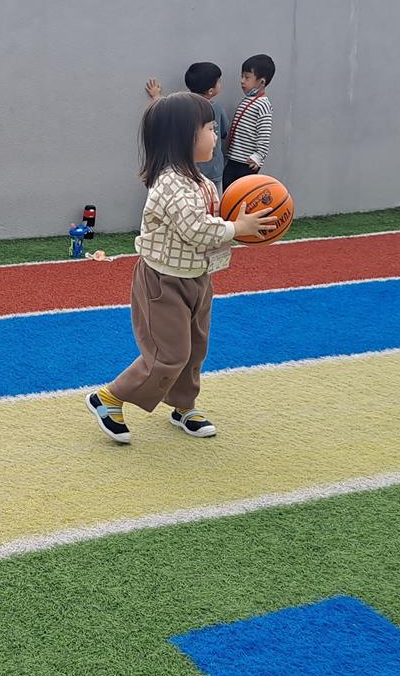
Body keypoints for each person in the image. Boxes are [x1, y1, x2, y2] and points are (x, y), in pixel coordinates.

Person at [85, 92, 274, 444]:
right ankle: (109, 397)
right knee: (169, 354)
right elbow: (195, 229)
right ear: (185, 137)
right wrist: (237, 228)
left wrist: (236, 223)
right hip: (163, 282)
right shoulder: (171, 182)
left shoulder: (200, 182)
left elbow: (209, 225)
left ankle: (183, 405)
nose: (216, 136)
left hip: (196, 278)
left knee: (195, 349)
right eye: (209, 128)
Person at [147, 62, 231, 194]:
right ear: (211, 90)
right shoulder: (216, 108)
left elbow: (167, 116)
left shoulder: (183, 108)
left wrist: (157, 96)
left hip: (188, 170)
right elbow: (225, 132)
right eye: (218, 81)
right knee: (214, 200)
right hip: (212, 171)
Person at [223, 54, 275, 189]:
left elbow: (264, 134)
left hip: (246, 162)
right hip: (234, 157)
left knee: (241, 192)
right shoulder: (247, 100)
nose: (242, 81)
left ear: (261, 82)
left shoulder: (263, 104)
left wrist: (258, 156)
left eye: (247, 77)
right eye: (242, 77)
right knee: (227, 188)